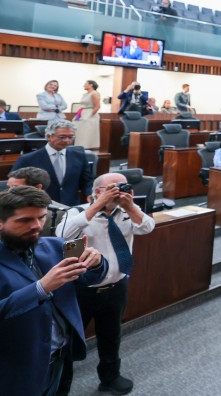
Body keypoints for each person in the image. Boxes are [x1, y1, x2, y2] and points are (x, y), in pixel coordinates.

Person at [0, 185, 106, 396]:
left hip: (62, 355)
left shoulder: (58, 244)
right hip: (18, 364)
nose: (37, 226)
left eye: (41, 218)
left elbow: (92, 278)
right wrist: (41, 288)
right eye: (25, 220)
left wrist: (97, 262)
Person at [55, 173, 155, 395]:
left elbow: (147, 227)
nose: (119, 190)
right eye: (113, 187)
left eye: (122, 186)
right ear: (97, 191)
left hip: (116, 287)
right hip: (81, 290)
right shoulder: (78, 212)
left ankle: (110, 377)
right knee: (68, 340)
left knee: (111, 335)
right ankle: (60, 384)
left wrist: (131, 207)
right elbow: (61, 234)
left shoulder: (126, 212)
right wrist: (97, 204)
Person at [13, 120, 93, 207]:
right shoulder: (27, 159)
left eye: (71, 137)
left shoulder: (79, 157)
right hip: (40, 207)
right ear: (49, 137)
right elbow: (14, 184)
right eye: (62, 137)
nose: (67, 141)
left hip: (71, 207)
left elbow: (87, 181)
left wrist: (90, 194)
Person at [7, 167, 69, 236]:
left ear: (38, 188)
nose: (9, 191)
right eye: (8, 187)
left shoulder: (63, 214)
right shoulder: (4, 207)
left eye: (15, 187)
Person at [74, 80, 101, 150]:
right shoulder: (85, 94)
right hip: (82, 113)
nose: (84, 85)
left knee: (87, 132)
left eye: (85, 84)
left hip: (90, 114)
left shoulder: (94, 93)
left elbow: (97, 106)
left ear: (91, 85)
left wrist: (89, 115)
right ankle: (79, 146)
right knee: (80, 131)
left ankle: (87, 147)